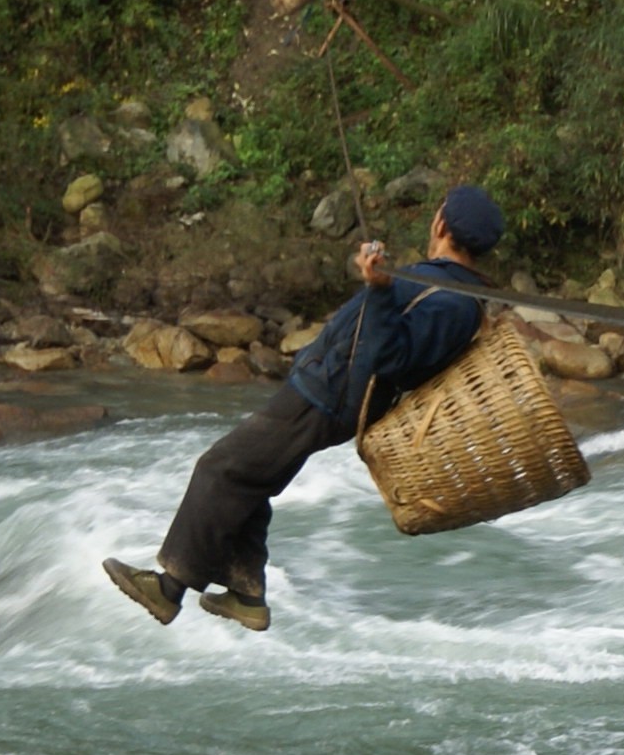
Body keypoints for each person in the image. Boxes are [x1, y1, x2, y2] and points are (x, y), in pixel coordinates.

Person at [102, 182, 505, 633]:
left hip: (328, 396)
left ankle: (168, 588)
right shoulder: (444, 285)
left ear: (441, 224)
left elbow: (390, 358)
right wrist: (382, 284)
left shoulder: (453, 302)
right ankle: (246, 593)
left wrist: (378, 290)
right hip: (327, 390)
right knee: (250, 480)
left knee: (220, 468)